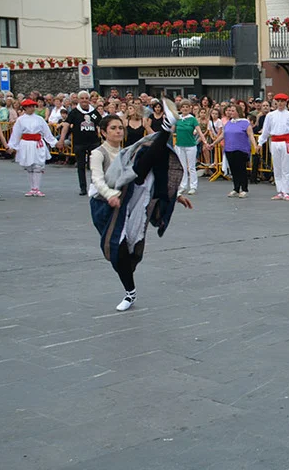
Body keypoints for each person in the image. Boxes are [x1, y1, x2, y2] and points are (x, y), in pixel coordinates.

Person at [89, 111, 193, 312]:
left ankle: (165, 130)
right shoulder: (98, 153)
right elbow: (97, 179)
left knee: (146, 158)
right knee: (117, 248)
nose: (118, 131)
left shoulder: (129, 152)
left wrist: (177, 195)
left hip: (128, 200)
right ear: (103, 132)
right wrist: (110, 195)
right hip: (105, 205)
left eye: (120, 128)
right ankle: (130, 291)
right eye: (113, 128)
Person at [7, 99, 58, 197]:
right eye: (29, 107)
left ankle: (37, 188)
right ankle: (32, 188)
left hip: (37, 144)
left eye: (33, 106)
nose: (32, 108)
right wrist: (12, 146)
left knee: (38, 165)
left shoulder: (39, 119)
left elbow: (46, 132)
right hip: (26, 144)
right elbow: (16, 134)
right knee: (29, 166)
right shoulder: (20, 120)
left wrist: (54, 142)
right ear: (25, 108)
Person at [57, 91, 102, 196]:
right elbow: (66, 125)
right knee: (81, 166)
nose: (84, 100)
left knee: (94, 166)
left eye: (86, 98)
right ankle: (83, 188)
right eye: (82, 98)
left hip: (93, 142)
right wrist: (61, 140)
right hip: (79, 143)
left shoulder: (94, 112)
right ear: (78, 99)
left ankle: (94, 186)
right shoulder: (74, 112)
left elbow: (101, 125)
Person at [258, 94, 289, 201]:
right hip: (274, 141)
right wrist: (260, 142)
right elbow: (266, 130)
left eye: (282, 101)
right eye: (279, 101)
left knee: (286, 167)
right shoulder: (270, 115)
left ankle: (286, 191)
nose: (280, 103)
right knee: (277, 167)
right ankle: (280, 190)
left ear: (285, 102)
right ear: (276, 102)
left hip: (286, 142)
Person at [219, 104, 255, 198]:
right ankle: (236, 188)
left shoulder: (245, 122)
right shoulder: (229, 123)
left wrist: (255, 146)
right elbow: (223, 135)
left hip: (241, 149)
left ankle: (244, 189)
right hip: (229, 148)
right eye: (230, 111)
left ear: (238, 112)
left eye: (233, 111)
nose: (230, 112)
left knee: (241, 169)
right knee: (234, 170)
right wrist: (213, 143)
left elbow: (250, 135)